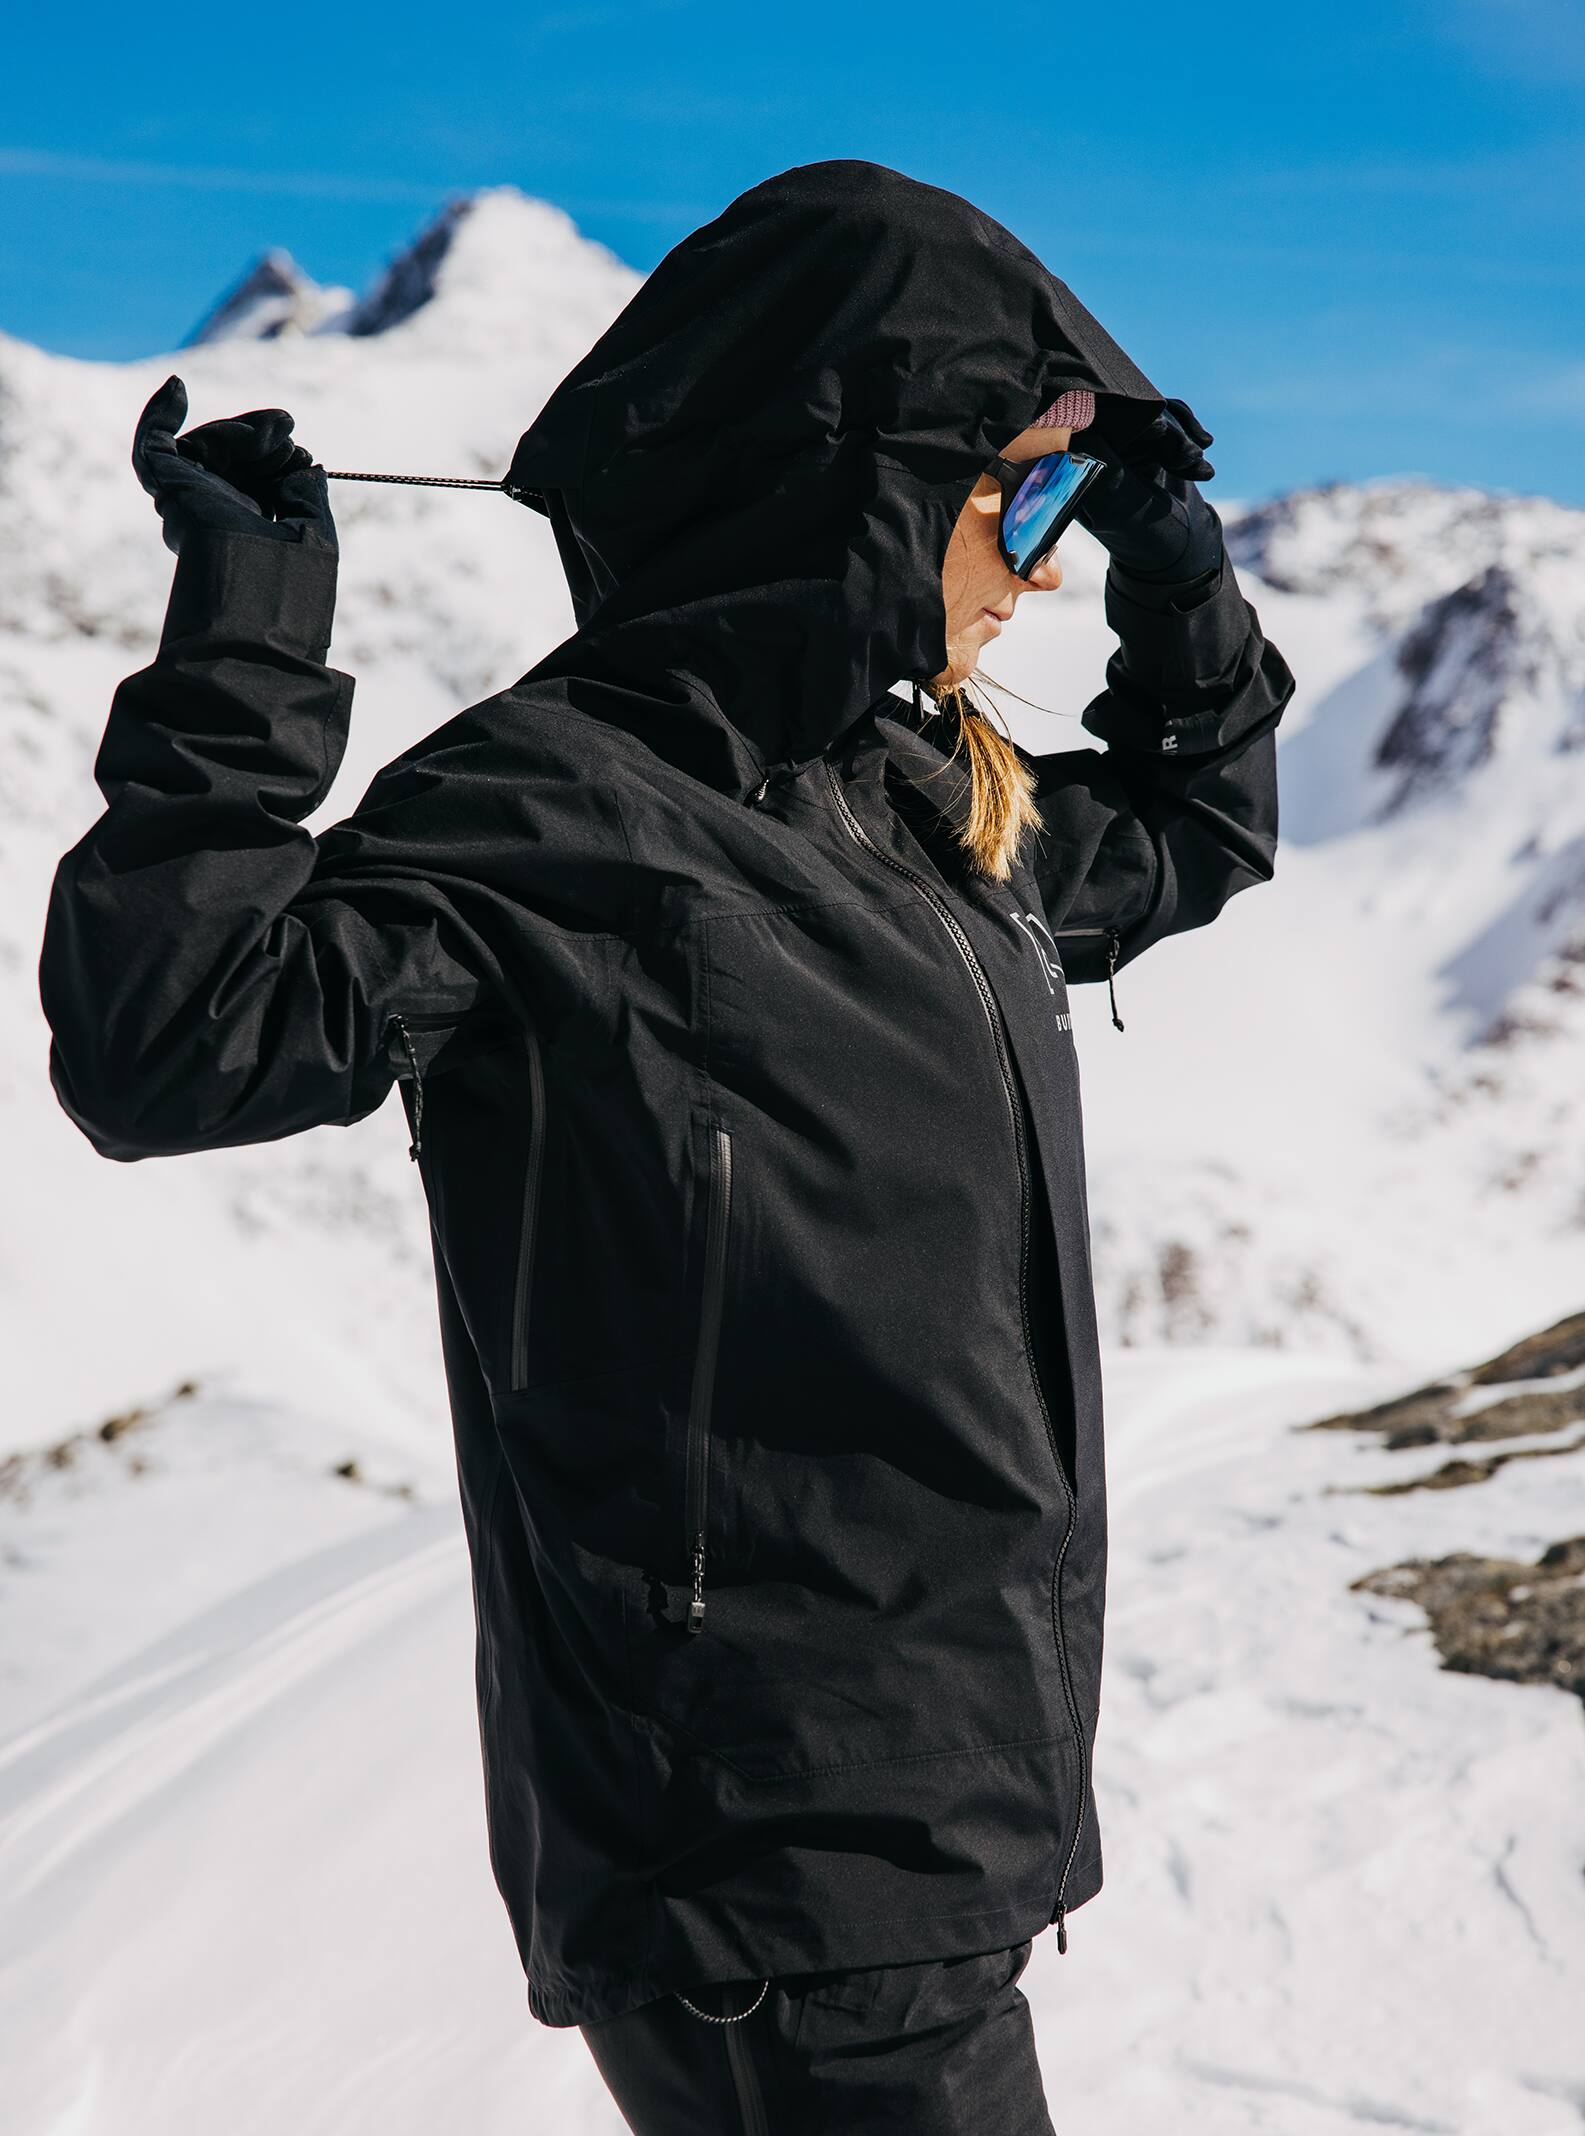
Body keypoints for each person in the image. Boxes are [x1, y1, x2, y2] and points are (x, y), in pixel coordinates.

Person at [38, 159, 1293, 2133]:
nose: (1040, 569)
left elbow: (1197, 826)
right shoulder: (561, 811)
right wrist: (243, 656)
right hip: (769, 1865)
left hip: (930, 1835)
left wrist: (1173, 560)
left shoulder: (918, 807)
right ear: (864, 481)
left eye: (1070, 503)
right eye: (1024, 496)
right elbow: (173, 1049)